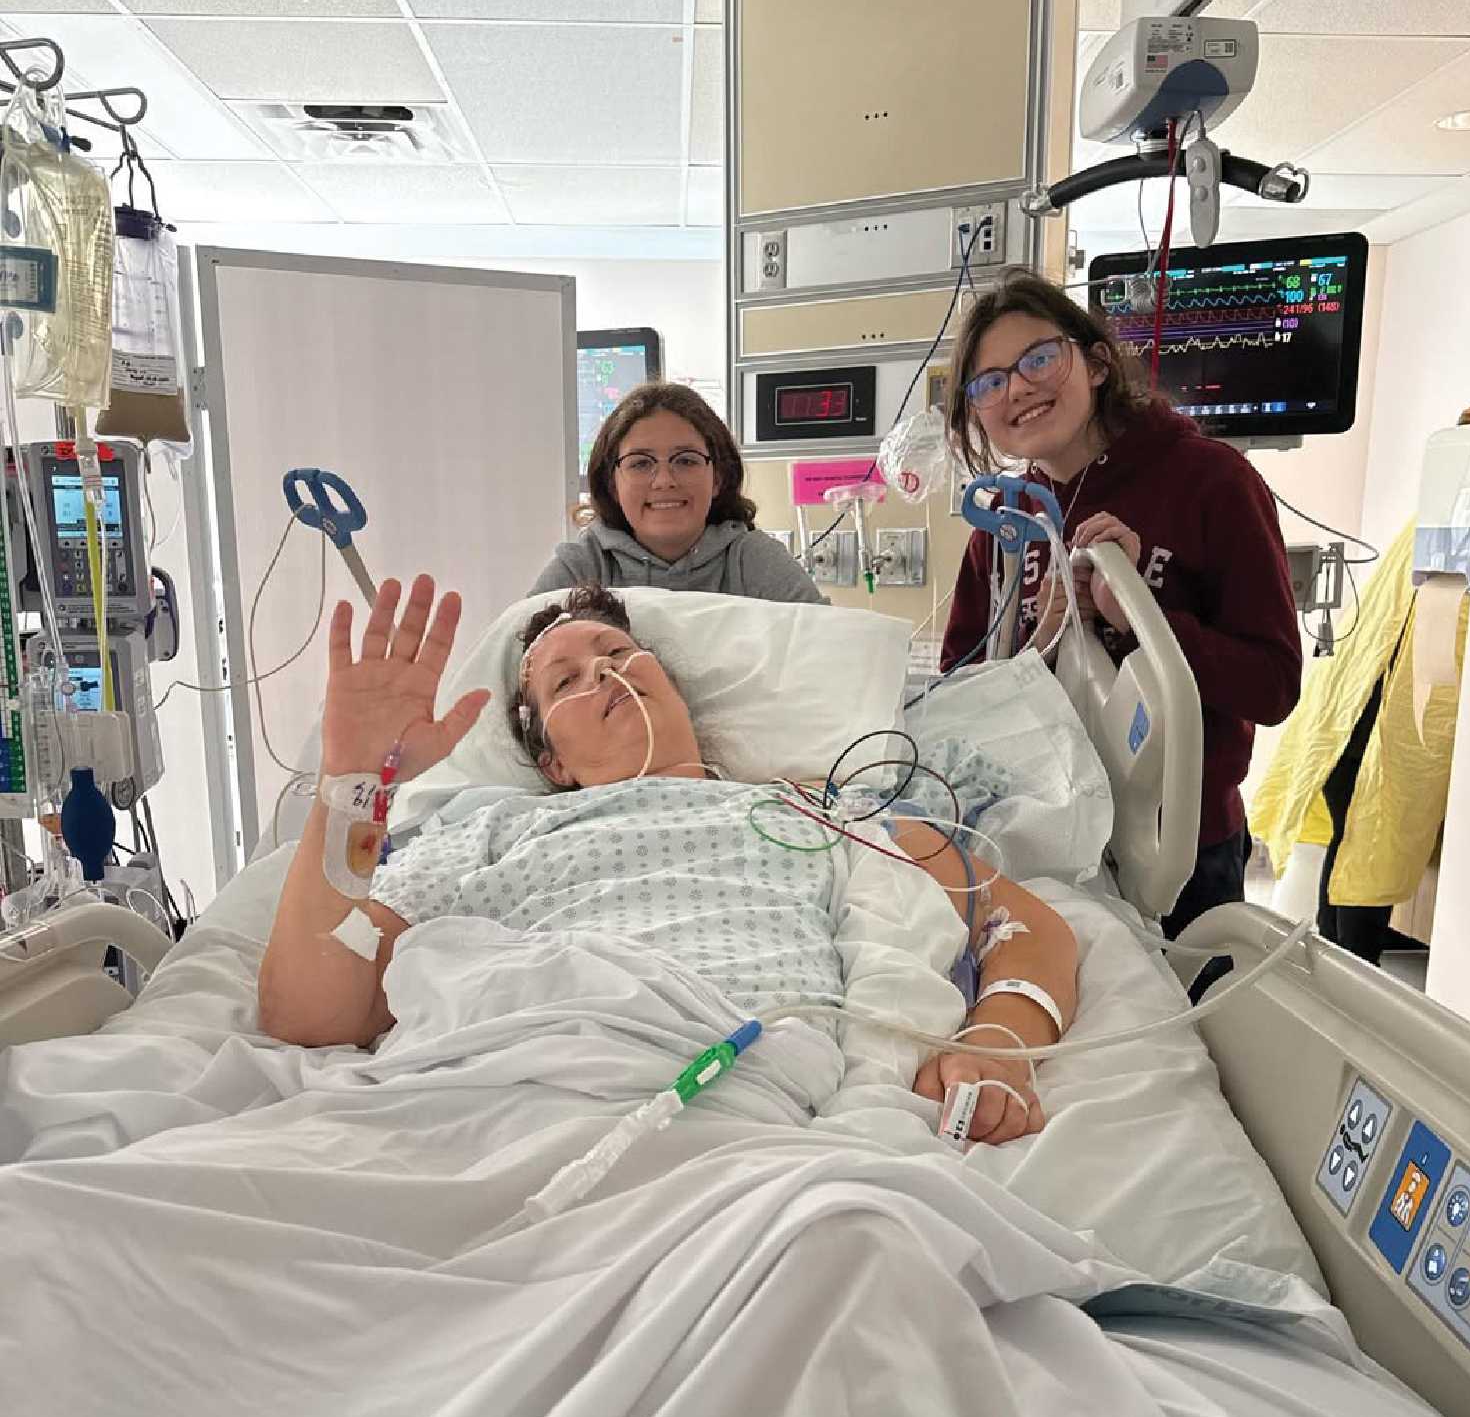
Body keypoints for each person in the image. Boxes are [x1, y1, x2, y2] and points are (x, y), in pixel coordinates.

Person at [257, 580, 1078, 1147]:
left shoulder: (820, 813)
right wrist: (351, 786)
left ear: (675, 689)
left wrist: (998, 1040)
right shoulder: (490, 830)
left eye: (618, 652)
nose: (603, 672)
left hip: (730, 1109)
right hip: (482, 1100)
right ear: (553, 764)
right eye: (566, 682)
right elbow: (316, 1014)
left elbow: (1023, 928)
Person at [941, 268, 1301, 937]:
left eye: (1038, 359)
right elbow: (956, 699)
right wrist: (1039, 640)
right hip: (1040, 834)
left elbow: (1273, 685)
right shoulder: (1005, 528)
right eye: (989, 382)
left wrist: (1136, 621)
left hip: (1177, 852)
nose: (1016, 388)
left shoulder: (1211, 483)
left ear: (1098, 363)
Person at [1252, 513, 1470, 965]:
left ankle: (1338, 970)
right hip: (1374, 722)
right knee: (1365, 851)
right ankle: (1349, 971)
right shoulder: (1450, 533)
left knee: (1356, 847)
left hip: (1357, 715)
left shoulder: (1435, 521)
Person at [532, 382, 825, 603]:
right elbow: (520, 651)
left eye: (686, 460)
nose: (664, 481)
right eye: (641, 463)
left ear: (718, 478)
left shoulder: (755, 561)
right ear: (613, 484)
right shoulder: (582, 567)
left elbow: (829, 648)